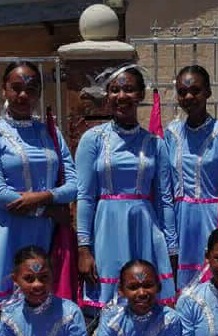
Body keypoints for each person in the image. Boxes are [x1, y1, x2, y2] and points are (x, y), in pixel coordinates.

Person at [0, 61, 77, 307]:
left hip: (47, 233)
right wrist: (47, 209)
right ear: (4, 90)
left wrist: (42, 198)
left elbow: (73, 185)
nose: (23, 95)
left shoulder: (51, 133)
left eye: (31, 89)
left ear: (39, 93)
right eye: (16, 88)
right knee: (6, 310)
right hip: (8, 231)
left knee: (46, 307)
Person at [75, 65, 176, 309]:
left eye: (129, 89)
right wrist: (84, 248)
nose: (121, 96)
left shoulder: (155, 144)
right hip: (106, 229)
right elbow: (85, 196)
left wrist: (171, 248)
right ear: (107, 95)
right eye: (114, 90)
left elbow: (164, 199)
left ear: (140, 94)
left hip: (145, 229)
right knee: (109, 306)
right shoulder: (93, 139)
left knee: (145, 303)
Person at [165, 65, 218, 289]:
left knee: (212, 281)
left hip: (211, 218)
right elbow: (165, 184)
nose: (189, 97)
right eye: (182, 92)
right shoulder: (172, 134)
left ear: (208, 92)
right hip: (178, 220)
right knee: (180, 285)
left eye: (195, 90)